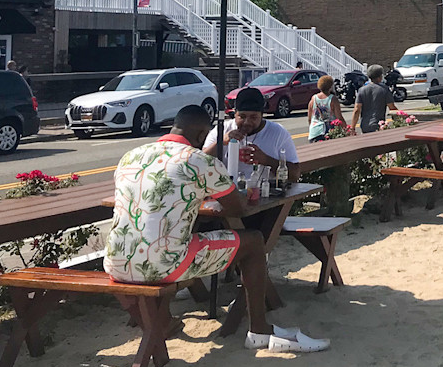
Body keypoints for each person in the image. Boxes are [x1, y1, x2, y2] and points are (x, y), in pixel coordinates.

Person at [104, 105, 328, 352]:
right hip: (165, 263)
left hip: (116, 261)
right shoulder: (198, 160)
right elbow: (236, 209)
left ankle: (163, 321)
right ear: (202, 136)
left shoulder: (131, 156)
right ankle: (260, 330)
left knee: (166, 236)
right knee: (253, 241)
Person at [204, 86, 301, 184]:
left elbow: (295, 174)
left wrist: (266, 160)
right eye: (242, 116)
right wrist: (221, 142)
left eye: (253, 117)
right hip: (228, 192)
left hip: (265, 192)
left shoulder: (278, 133)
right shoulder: (222, 129)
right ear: (235, 113)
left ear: (262, 115)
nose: (247, 122)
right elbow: (199, 162)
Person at [350, 64, 397, 134]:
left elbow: (357, 109)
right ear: (380, 77)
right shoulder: (384, 89)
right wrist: (400, 119)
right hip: (379, 124)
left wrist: (352, 127)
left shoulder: (362, 90)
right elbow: (392, 108)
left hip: (365, 125)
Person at [307, 75, 343, 142]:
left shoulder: (313, 98)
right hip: (329, 132)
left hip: (314, 132)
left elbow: (309, 118)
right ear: (330, 86)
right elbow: (339, 117)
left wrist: (312, 128)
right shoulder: (333, 99)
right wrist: (347, 128)